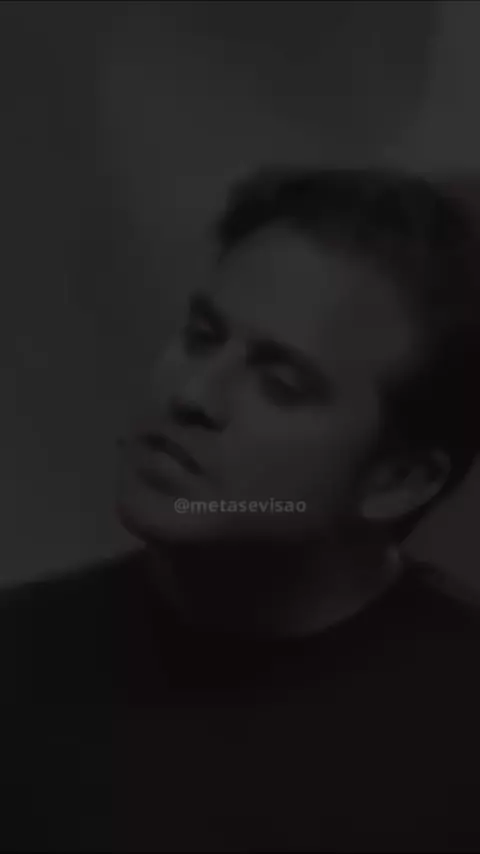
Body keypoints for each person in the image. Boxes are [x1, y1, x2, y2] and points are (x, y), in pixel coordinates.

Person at [2, 167, 480, 852]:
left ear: (399, 480)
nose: (193, 394)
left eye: (280, 384)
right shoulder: (20, 660)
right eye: (202, 336)